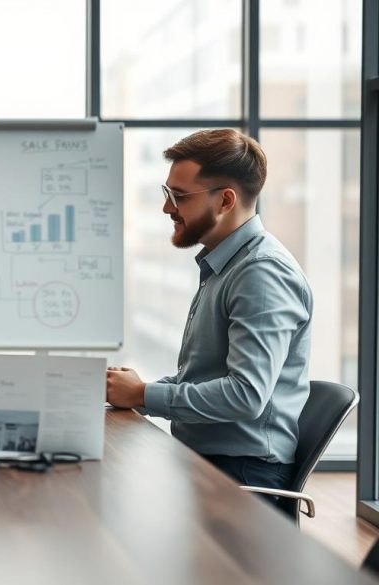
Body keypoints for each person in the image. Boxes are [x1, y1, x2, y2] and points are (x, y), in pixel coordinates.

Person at [105, 129, 313, 495]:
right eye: (167, 193)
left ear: (225, 201)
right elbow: (206, 376)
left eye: (179, 196)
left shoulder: (261, 273)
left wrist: (142, 395)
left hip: (243, 476)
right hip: (210, 460)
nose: (167, 207)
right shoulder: (227, 266)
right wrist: (137, 389)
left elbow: (246, 395)